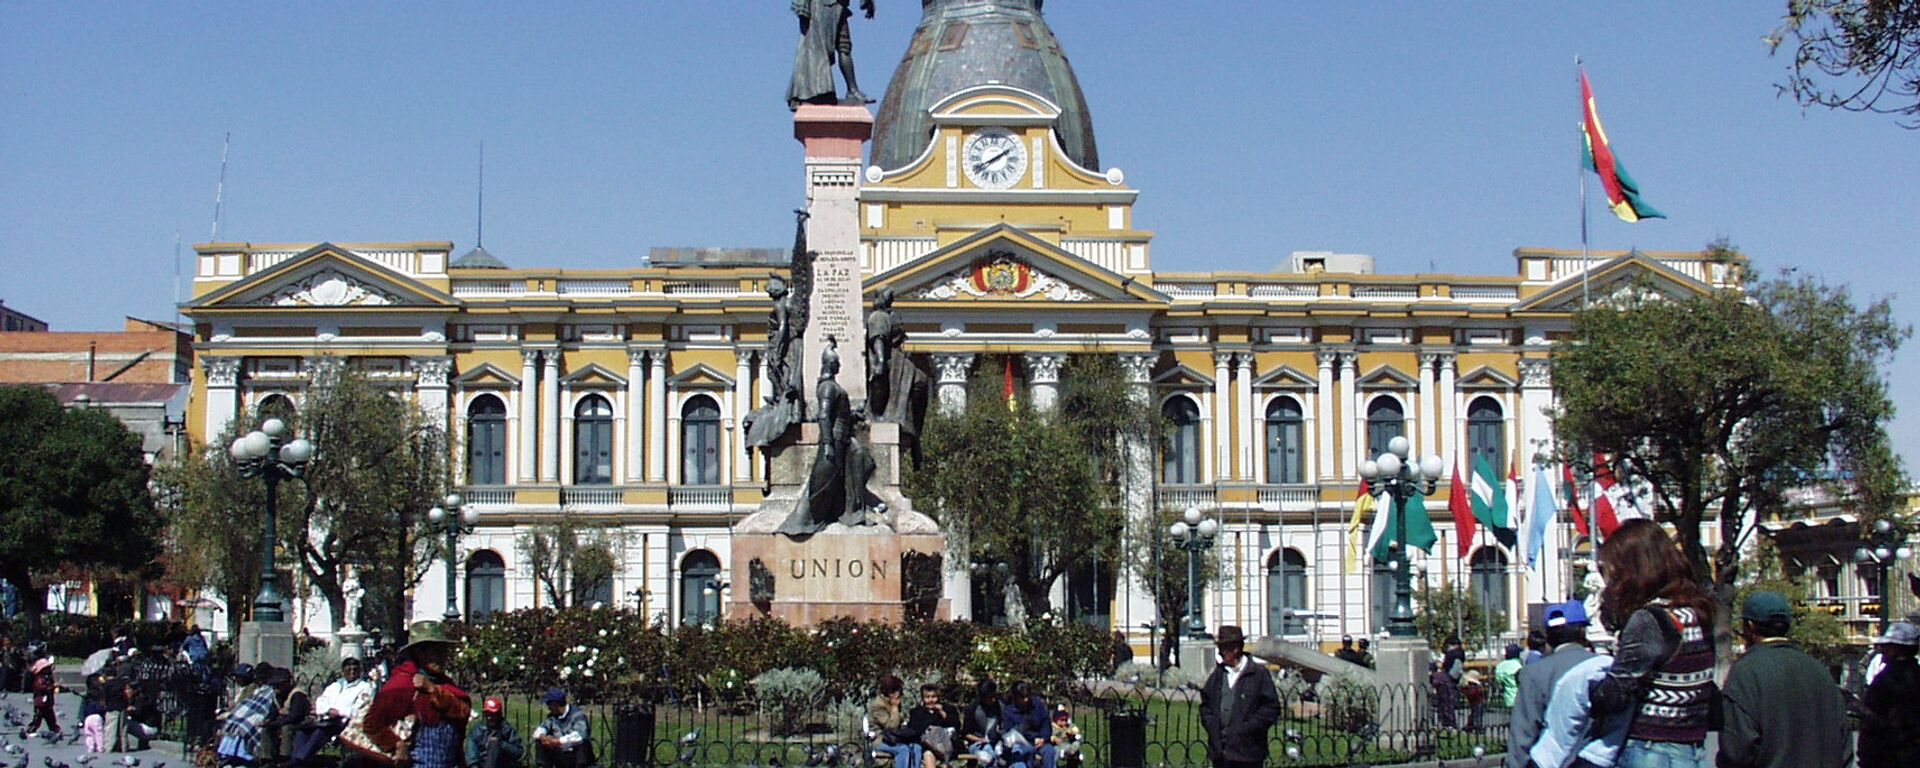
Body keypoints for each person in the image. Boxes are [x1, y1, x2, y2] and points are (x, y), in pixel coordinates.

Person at [1589, 519, 1717, 768]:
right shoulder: (1697, 612)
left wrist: (1592, 691)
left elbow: (1615, 692)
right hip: (1692, 745)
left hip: (1651, 748)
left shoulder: (1650, 620)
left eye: (1615, 569)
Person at [1716, 590, 1850, 768]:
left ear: (1750, 626)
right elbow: (1844, 744)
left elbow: (1737, 749)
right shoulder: (1819, 671)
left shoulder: (1746, 673)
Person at [360, 621, 472, 768]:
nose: (441, 656)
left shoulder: (447, 685)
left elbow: (463, 712)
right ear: (419, 653)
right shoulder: (401, 685)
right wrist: (396, 745)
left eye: (443, 651)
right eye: (434, 651)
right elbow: (371, 724)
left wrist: (433, 690)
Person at [1506, 601, 1599, 768]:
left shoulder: (1534, 673)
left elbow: (1522, 734)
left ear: (1548, 635)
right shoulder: (1602, 668)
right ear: (1582, 631)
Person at [1198, 625, 1281, 768]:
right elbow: (1206, 705)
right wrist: (1212, 726)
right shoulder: (1218, 675)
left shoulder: (1258, 674)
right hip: (1220, 755)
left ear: (1236, 649)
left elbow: (1271, 708)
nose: (1220, 653)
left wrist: (1247, 728)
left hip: (1248, 754)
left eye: (1223, 649)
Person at [787, 0, 877, 109]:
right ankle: (817, 92)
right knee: (820, 48)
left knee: (844, 46)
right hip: (823, 6)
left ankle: (852, 90)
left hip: (837, 5)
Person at [1856, 621, 1920, 768]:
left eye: (1887, 646)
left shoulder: (1886, 681)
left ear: (1898, 649)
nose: (1882, 650)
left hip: (1888, 758)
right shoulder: (1916, 676)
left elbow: (1873, 722)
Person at [292, 657, 374, 767]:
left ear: (359, 671)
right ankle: (297, 760)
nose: (352, 672)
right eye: (348, 669)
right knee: (303, 730)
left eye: (355, 669)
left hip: (345, 722)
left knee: (321, 731)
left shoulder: (365, 687)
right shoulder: (336, 685)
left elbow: (361, 708)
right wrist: (328, 710)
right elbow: (321, 701)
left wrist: (339, 712)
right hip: (326, 719)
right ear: (343, 671)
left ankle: (300, 759)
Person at [216, 664, 285, 767]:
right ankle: (230, 754)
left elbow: (266, 707)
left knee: (246, 725)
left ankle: (244, 755)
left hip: (261, 715)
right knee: (235, 722)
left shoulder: (270, 690)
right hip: (249, 713)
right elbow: (248, 704)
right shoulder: (258, 689)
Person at [867, 675, 920, 768]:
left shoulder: (892, 702)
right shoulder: (878, 706)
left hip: (898, 737)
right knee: (903, 750)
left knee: (916, 748)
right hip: (881, 739)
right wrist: (895, 707)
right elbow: (892, 726)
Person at [1001, 682, 1056, 768]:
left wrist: (1044, 738)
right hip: (1022, 743)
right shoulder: (1009, 712)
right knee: (1021, 754)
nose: (1026, 699)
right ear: (1016, 697)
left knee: (1049, 751)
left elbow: (1045, 723)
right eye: (1022, 697)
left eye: (1027, 696)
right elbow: (1009, 733)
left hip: (1040, 742)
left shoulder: (1038, 705)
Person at [532, 688, 591, 768]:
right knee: (540, 742)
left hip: (574, 755)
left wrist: (557, 741)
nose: (548, 708)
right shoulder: (552, 717)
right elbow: (538, 731)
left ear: (555, 705)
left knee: (581, 745)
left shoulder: (578, 715)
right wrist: (544, 737)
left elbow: (579, 736)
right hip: (560, 753)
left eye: (549, 705)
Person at [905, 684, 960, 768]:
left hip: (947, 745)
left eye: (933, 697)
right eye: (927, 697)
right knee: (928, 754)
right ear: (923, 698)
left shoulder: (949, 709)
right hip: (929, 746)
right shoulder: (916, 712)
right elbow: (916, 730)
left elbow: (956, 726)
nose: (931, 700)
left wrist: (942, 713)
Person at [466, 697, 526, 768]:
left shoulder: (507, 730)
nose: (489, 717)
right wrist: (474, 765)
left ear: (498, 714)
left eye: (492, 714)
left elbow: (518, 752)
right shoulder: (478, 730)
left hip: (502, 764)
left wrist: (501, 744)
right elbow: (471, 750)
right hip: (481, 764)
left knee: (494, 743)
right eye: (487, 714)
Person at [960, 679, 1003, 766]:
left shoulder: (1001, 706)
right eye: (989, 698)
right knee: (988, 756)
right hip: (978, 744)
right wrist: (980, 740)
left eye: (994, 696)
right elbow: (966, 734)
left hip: (997, 742)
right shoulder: (973, 709)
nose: (993, 700)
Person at [24, 655, 62, 739]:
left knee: (50, 717)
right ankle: (31, 729)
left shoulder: (47, 677)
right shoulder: (39, 678)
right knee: (38, 717)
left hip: (47, 701)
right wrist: (51, 687)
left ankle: (55, 729)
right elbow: (40, 687)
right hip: (40, 702)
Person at [1493, 644, 1523, 710]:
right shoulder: (1519, 665)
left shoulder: (1500, 666)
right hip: (1520, 697)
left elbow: (1498, 682)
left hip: (1508, 698)